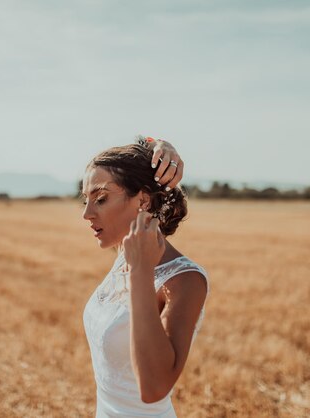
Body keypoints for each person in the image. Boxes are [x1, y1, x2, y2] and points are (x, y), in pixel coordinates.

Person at [81, 137, 209, 417]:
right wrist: (158, 143)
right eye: (86, 200)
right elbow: (139, 159)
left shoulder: (184, 280)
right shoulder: (123, 254)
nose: (86, 214)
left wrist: (141, 273)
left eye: (100, 199)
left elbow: (153, 389)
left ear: (143, 200)